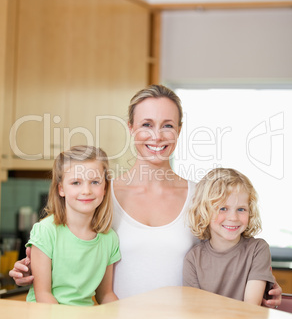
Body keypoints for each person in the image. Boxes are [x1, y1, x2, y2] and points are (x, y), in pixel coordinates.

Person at [9, 85, 281, 307]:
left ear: (179, 131)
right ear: (130, 128)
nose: (157, 135)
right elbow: (63, 244)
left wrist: (263, 283)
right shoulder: (101, 194)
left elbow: (236, 252)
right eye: (146, 124)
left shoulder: (201, 196)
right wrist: (32, 268)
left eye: (167, 125)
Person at [25, 145, 120, 305]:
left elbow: (105, 295)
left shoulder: (109, 238)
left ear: (105, 188)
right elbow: (43, 295)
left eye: (95, 182)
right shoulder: (45, 231)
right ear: (61, 189)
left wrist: (125, 317)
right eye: (76, 182)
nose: (86, 190)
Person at [183, 168, 275, 305]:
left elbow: (251, 308)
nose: (233, 217)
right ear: (204, 211)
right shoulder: (193, 259)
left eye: (241, 209)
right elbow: (195, 310)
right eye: (223, 208)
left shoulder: (258, 250)